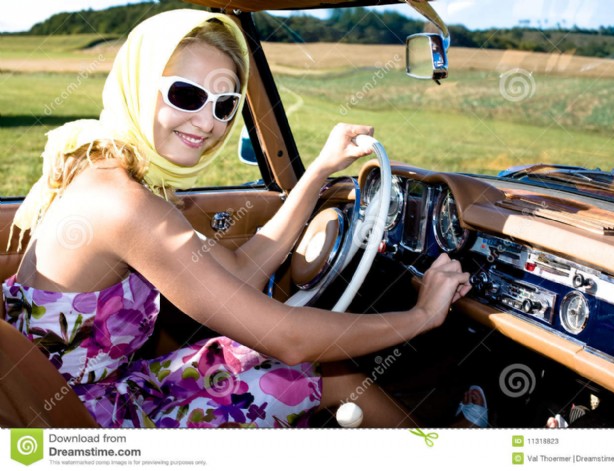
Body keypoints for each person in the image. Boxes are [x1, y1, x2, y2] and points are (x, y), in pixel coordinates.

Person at [2, 9, 472, 428]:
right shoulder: (125, 204)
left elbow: (240, 273)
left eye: (224, 104)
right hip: (85, 420)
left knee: (312, 368)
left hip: (97, 392)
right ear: (139, 86)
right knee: (316, 372)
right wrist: (422, 316)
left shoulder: (105, 170)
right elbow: (288, 339)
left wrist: (319, 172)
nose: (208, 123)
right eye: (185, 95)